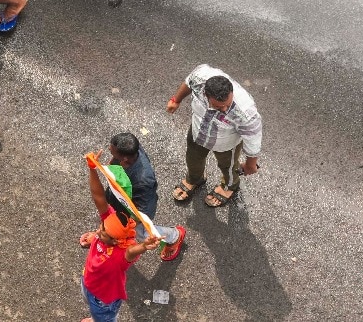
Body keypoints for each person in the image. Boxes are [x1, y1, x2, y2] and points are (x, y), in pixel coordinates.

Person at [166, 64, 263, 208]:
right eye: (218, 106)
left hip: (226, 144)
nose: (225, 109)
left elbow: (253, 138)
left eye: (227, 104)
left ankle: (230, 186)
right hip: (198, 133)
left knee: (228, 167)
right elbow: (188, 82)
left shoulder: (245, 111)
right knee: (193, 158)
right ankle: (195, 178)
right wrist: (176, 100)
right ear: (205, 94)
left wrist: (250, 165)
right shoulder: (200, 77)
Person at [80, 153, 161, 322]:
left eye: (104, 233)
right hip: (88, 281)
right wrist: (92, 168)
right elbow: (98, 197)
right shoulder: (109, 222)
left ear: (116, 241)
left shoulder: (121, 255)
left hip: (102, 300)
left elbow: (133, 251)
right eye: (102, 227)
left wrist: (145, 246)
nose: (99, 231)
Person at [79, 133, 185, 261]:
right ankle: (105, 235)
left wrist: (126, 227)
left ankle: (174, 236)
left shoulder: (144, 180)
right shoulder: (131, 149)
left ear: (124, 160)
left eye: (113, 154)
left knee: (142, 233)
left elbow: (143, 211)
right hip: (119, 198)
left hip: (136, 210)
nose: (111, 157)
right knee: (111, 220)